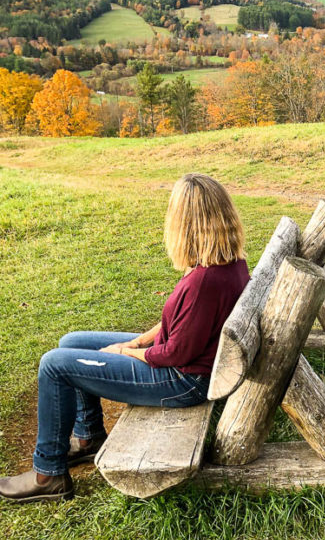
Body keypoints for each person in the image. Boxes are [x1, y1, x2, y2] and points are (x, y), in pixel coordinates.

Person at [0, 173, 249, 503]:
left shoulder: (204, 280)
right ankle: (87, 438)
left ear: (185, 221)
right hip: (192, 364)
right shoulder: (226, 263)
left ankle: (48, 475)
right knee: (71, 342)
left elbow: (176, 353)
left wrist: (126, 352)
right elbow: (180, 323)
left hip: (184, 381)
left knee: (54, 365)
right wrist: (137, 341)